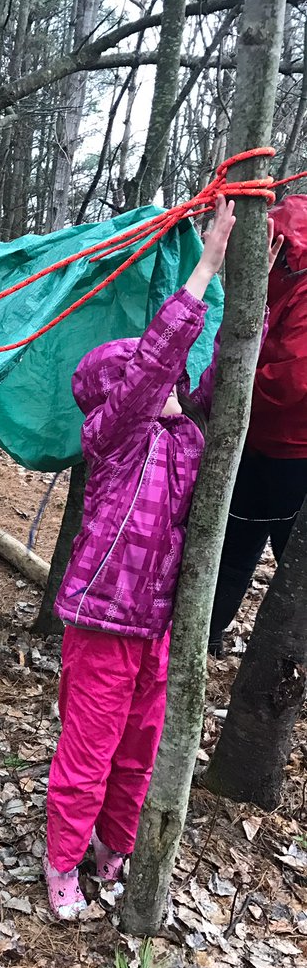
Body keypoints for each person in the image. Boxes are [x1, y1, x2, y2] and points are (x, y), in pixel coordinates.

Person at [45, 197, 281, 920]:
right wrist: (206, 265)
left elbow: (218, 383)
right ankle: (61, 863)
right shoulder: (115, 436)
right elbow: (156, 365)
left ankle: (113, 852)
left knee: (140, 752)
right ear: (122, 392)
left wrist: (256, 305)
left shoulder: (186, 436)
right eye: (149, 377)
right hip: (102, 623)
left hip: (157, 630)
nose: (170, 384)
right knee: (90, 750)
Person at [208, 193, 307, 657]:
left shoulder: (300, 282)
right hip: (257, 439)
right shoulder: (273, 264)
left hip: (290, 447)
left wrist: (223, 393)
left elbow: (290, 380)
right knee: (235, 541)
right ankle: (207, 635)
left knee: (283, 557)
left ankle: (285, 658)